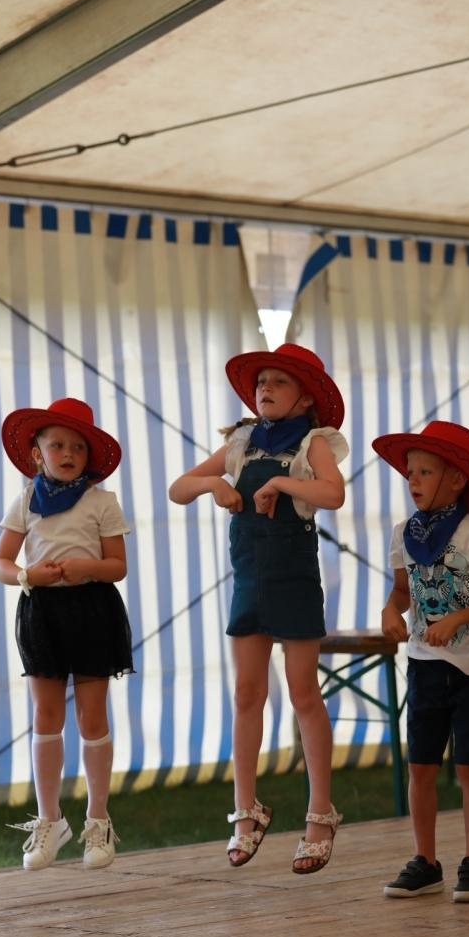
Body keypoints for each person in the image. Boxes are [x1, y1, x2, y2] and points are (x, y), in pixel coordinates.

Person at [169, 344, 348, 873]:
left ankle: (320, 814)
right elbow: (178, 488)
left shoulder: (314, 442)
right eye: (261, 381)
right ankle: (245, 811)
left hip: (294, 582)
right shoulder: (240, 444)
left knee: (303, 693)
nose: (265, 388)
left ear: (305, 398)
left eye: (279, 381)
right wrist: (214, 484)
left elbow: (333, 493)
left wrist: (279, 483)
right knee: (247, 694)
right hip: (249, 581)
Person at [373, 421, 469, 903]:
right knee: (421, 765)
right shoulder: (402, 534)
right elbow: (401, 590)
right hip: (425, 663)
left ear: (456, 480)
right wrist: (390, 611)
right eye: (410, 472)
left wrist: (457, 619)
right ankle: (425, 861)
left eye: (425, 471)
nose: (413, 480)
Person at [0, 397, 133, 870]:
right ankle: (50, 820)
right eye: (58, 445)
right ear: (37, 453)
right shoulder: (25, 501)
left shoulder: (102, 501)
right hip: (42, 613)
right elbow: (0, 563)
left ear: (89, 456)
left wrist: (85, 567)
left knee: (92, 717)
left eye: (78, 447)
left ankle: (99, 820)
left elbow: (118, 566)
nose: (68, 453)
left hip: (92, 609)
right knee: (45, 714)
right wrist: (28, 575)